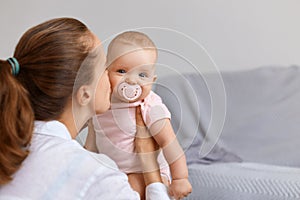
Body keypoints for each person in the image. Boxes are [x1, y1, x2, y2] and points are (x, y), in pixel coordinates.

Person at [0, 17, 171, 199]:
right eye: (105, 68)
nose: (113, 78)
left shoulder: (9, 146)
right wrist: (151, 169)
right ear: (84, 94)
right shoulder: (99, 178)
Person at [85, 31, 192, 199]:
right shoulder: (102, 104)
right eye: (121, 71)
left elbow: (169, 143)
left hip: (145, 173)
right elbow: (90, 146)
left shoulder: (149, 106)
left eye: (142, 75)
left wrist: (180, 178)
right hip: (115, 172)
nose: (132, 81)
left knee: (131, 187)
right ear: (106, 71)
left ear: (153, 79)